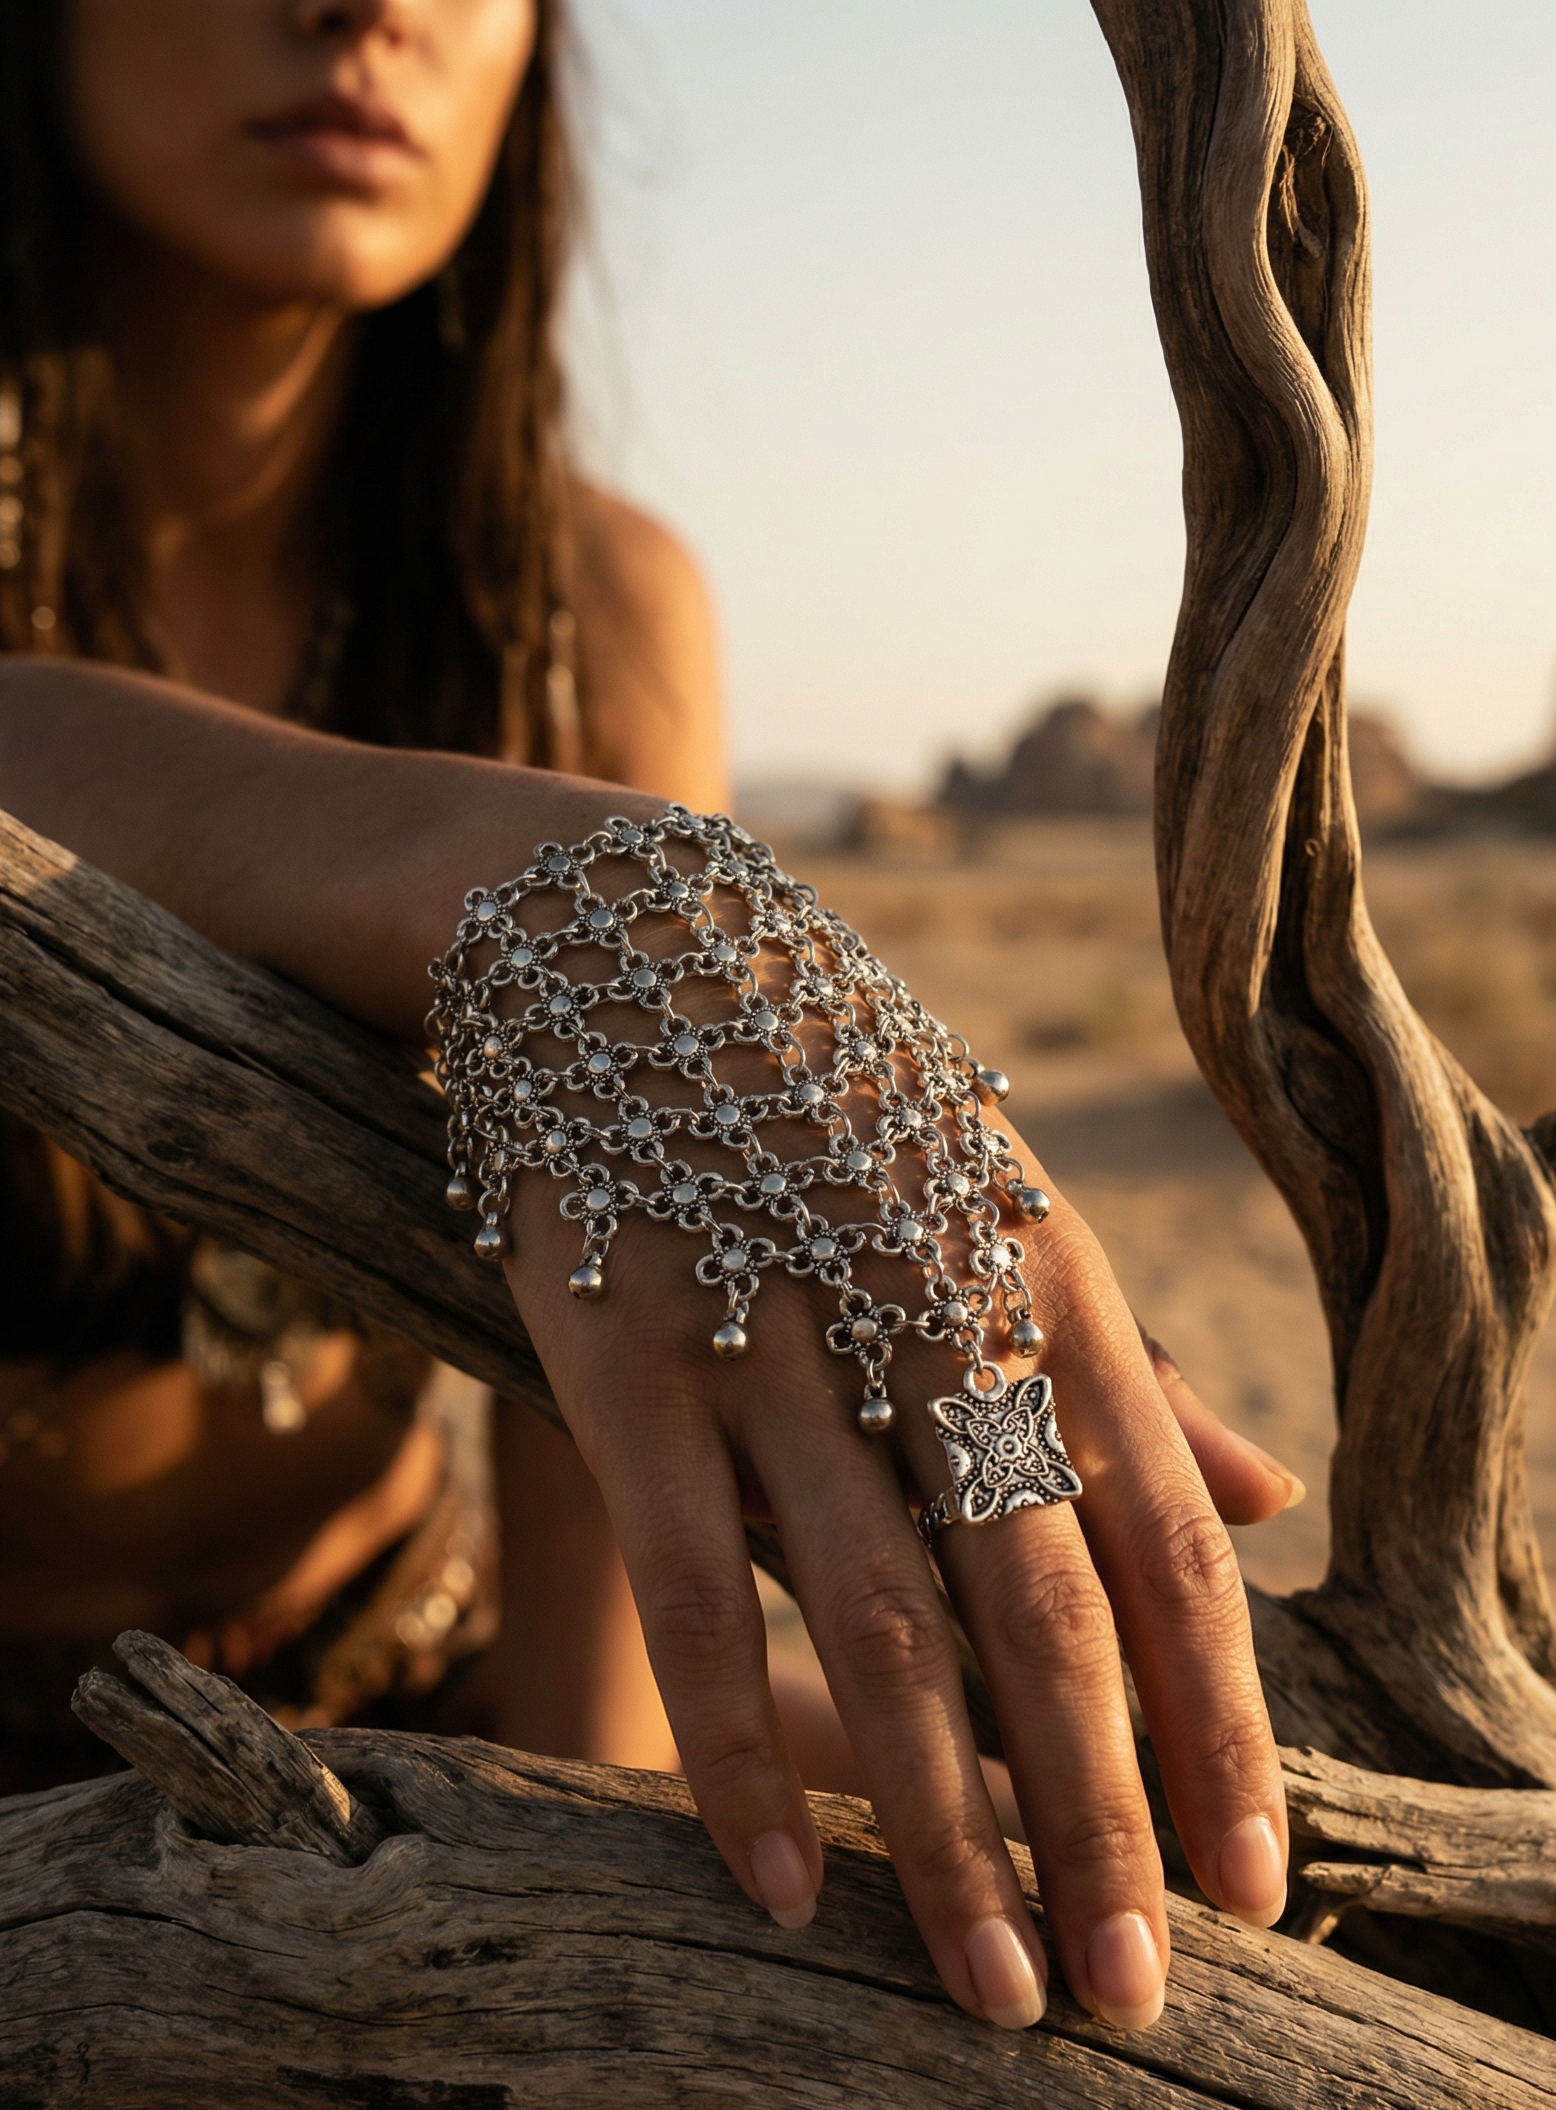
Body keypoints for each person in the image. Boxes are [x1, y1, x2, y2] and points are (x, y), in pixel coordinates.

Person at [0, 0, 1306, 2037]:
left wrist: (607, 1935)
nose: (363, 13)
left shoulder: (579, 607)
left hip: (390, 1687)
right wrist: (522, 868)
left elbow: (616, 1534)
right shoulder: (530, 792)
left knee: (1193, 1878)